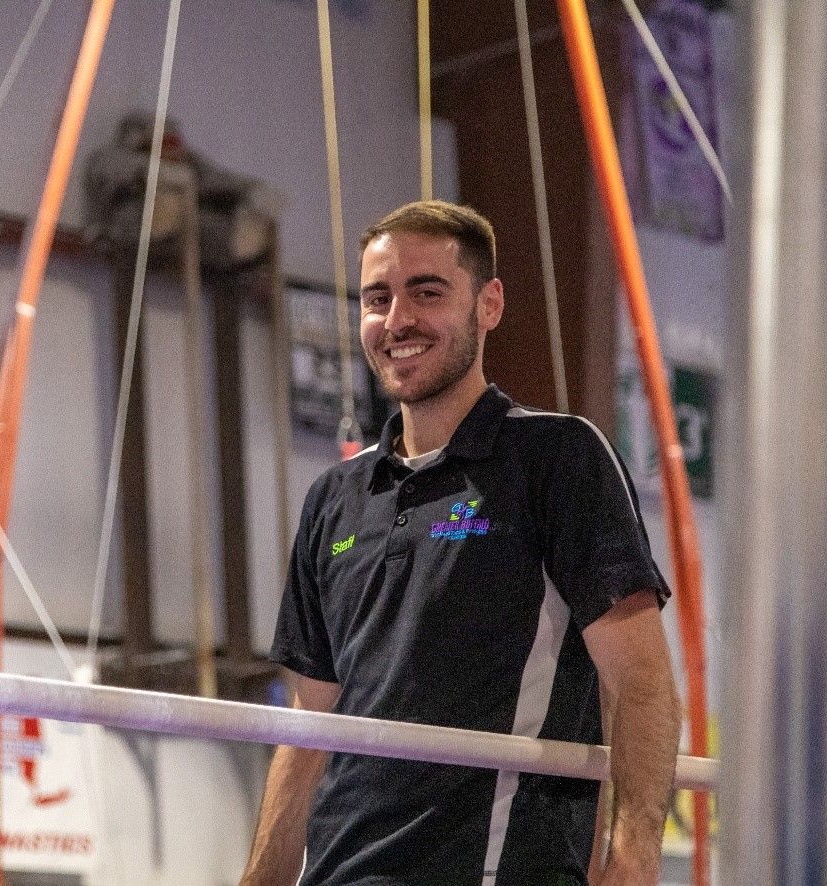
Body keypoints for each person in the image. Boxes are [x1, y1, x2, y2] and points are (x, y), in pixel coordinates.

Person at [240, 201, 681, 886]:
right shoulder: (335, 497)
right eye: (377, 299)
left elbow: (642, 684)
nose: (397, 320)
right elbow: (309, 723)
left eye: (427, 292)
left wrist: (632, 861)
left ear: (489, 304)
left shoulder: (557, 457)